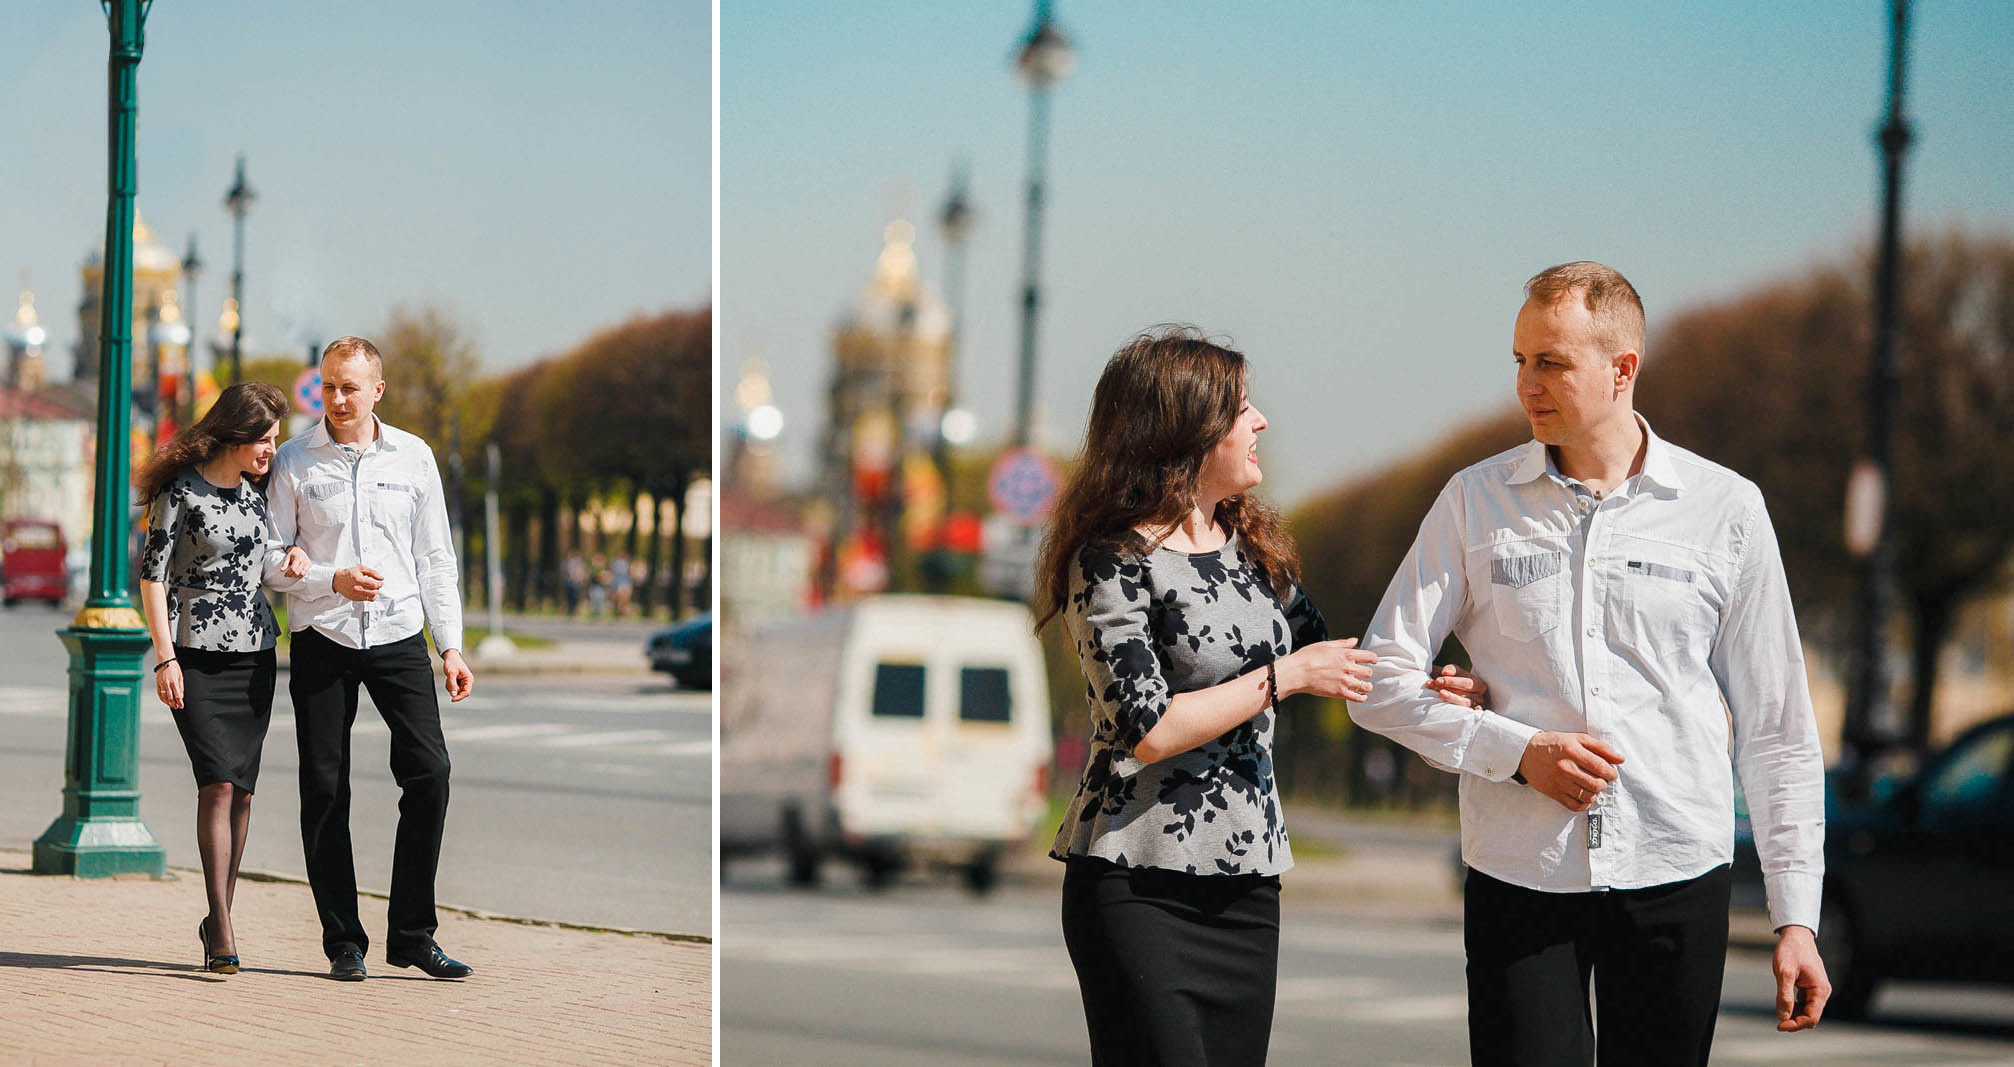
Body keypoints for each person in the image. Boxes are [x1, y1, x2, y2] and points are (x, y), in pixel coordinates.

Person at [1352, 262, 1829, 1065]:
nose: (1526, 385)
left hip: (1678, 864)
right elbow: (1378, 679)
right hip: (1520, 876)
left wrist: (1797, 917)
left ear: (1623, 370)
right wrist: (1515, 752)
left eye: (1552, 363)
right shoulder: (1475, 501)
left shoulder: (1727, 509)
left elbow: (1778, 728)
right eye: (1519, 360)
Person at [1038, 328, 1486, 1066]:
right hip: (1138, 883)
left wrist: (1443, 686)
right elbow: (1144, 727)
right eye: (1242, 408)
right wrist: (1283, 677)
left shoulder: (1254, 553)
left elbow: (1344, 663)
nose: (1261, 422)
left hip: (1246, 884)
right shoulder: (1112, 560)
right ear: (1185, 427)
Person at [267, 335, 476, 982]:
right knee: (326, 789)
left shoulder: (413, 457)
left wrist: (450, 644)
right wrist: (330, 578)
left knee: (430, 774)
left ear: (377, 389)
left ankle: (412, 932)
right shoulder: (295, 460)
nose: (336, 397)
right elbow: (272, 558)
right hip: (323, 635)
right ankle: (343, 941)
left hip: (397, 633)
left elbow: (435, 556)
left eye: (349, 386)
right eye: (328, 385)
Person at [137, 381, 313, 974]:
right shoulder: (179, 492)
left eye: (274, 439)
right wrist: (165, 659)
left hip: (255, 652)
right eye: (263, 439)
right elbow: (153, 578)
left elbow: (263, 561)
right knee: (215, 780)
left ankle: (220, 916)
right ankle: (224, 927)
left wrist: (289, 561)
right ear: (234, 435)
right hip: (195, 653)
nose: (271, 449)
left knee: (241, 789)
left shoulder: (259, 494)